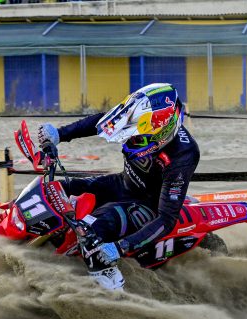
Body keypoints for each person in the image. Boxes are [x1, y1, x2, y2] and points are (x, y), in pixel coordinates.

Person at [37, 83, 199, 290]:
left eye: (136, 137)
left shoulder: (183, 155)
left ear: (163, 133)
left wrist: (121, 247)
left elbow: (167, 219)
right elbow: (101, 121)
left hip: (147, 206)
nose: (129, 139)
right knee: (54, 190)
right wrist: (59, 135)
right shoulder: (140, 118)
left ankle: (108, 291)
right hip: (122, 183)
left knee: (90, 232)